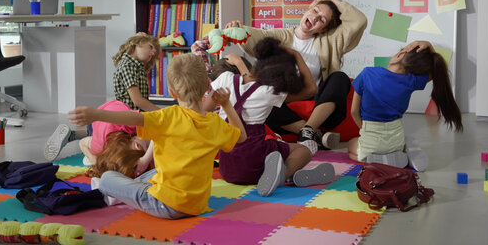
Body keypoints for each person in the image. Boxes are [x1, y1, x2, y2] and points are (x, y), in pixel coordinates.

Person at [68, 54, 247, 219]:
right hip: (197, 205)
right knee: (155, 172)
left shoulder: (168, 116)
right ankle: (124, 192)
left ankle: (114, 194)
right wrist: (226, 105)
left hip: (165, 205)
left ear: (172, 92)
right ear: (207, 87)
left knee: (106, 178)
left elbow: (134, 117)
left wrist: (97, 114)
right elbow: (241, 137)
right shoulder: (214, 123)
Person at [228, 0, 367, 149]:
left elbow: (359, 21)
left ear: (324, 29)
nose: (315, 18)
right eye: (315, 11)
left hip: (318, 101)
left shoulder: (330, 40)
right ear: (308, 10)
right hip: (282, 102)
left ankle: (308, 129)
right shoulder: (280, 36)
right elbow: (255, 37)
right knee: (262, 98)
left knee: (340, 77)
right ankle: (314, 134)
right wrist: (237, 30)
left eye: (321, 19)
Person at [205, 38, 335, 197]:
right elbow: (311, 89)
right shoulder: (269, 90)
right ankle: (284, 175)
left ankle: (283, 174)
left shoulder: (222, 81)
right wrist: (296, 55)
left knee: (274, 144)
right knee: (304, 149)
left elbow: (203, 111)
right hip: (254, 165)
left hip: (228, 170)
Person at [347, 41, 463, 171]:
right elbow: (436, 70)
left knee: (351, 146)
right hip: (396, 138)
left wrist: (365, 131)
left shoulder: (367, 73)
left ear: (400, 54)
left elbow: (354, 112)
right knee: (383, 145)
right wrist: (429, 46)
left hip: (372, 138)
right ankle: (400, 152)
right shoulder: (411, 81)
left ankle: (372, 158)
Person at [44, 32, 160, 161]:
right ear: (136, 44)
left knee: (100, 133)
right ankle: (86, 145)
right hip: (124, 118)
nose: (153, 52)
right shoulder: (129, 66)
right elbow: (137, 100)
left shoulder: (135, 66)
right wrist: (160, 113)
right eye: (150, 47)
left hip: (120, 117)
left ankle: (72, 135)